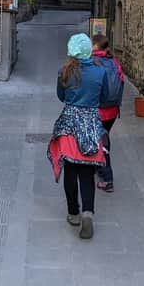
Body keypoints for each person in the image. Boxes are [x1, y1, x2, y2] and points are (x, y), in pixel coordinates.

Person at [48, 33, 109, 239]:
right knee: (87, 172)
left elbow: (61, 96)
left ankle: (73, 213)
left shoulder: (63, 71)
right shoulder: (100, 72)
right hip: (91, 124)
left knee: (71, 170)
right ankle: (88, 212)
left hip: (69, 125)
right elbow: (105, 97)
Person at [91, 34, 124, 193]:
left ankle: (107, 178)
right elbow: (121, 83)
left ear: (96, 46)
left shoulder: (92, 63)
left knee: (102, 143)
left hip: (98, 110)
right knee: (103, 137)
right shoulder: (114, 62)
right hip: (112, 111)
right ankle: (99, 166)